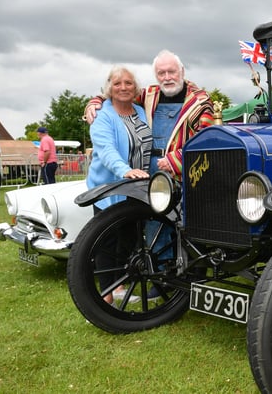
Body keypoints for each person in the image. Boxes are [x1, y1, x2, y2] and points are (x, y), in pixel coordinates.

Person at [84, 49, 215, 181]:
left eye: (172, 72)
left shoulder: (200, 102)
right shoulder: (150, 95)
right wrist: (96, 101)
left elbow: (207, 140)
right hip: (148, 175)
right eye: (161, 73)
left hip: (185, 175)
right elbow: (121, 94)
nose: (167, 77)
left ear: (182, 71)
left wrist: (176, 159)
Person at [88, 65, 153, 305]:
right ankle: (106, 297)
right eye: (117, 83)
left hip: (137, 187)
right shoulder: (102, 115)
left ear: (135, 87)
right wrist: (125, 171)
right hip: (110, 188)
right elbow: (106, 150)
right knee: (108, 242)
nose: (123, 87)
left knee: (129, 239)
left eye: (128, 83)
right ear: (109, 88)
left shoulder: (141, 110)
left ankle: (120, 286)